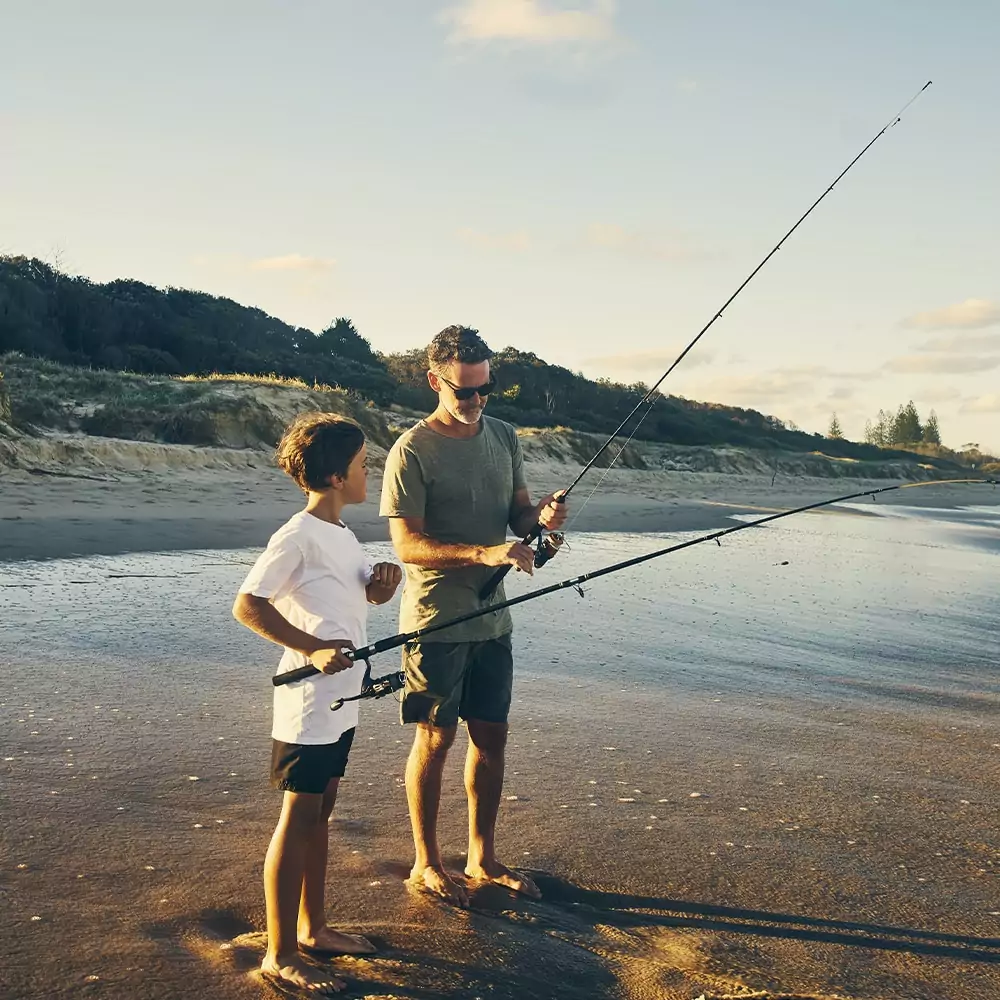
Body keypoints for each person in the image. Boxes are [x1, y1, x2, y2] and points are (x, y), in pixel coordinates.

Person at [379, 325, 568, 907]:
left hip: (494, 617)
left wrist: (543, 523)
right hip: (436, 620)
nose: (476, 401)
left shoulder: (504, 436)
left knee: (492, 737)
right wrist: (482, 553)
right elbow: (406, 545)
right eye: (464, 391)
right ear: (435, 382)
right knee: (436, 739)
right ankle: (426, 863)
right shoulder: (411, 450)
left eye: (485, 390)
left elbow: (518, 519)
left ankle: (483, 857)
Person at [233, 412, 402, 994]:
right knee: (298, 817)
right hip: (308, 700)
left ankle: (314, 929)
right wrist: (314, 649)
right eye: (362, 465)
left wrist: (382, 583)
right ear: (335, 476)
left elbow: (355, 598)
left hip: (342, 699)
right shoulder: (298, 534)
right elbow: (249, 605)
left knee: (321, 813)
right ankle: (279, 953)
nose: (367, 474)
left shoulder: (343, 535)